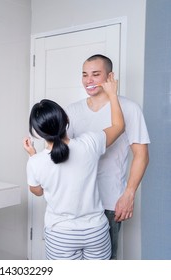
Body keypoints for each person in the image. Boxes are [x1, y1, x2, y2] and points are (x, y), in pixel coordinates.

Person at [23, 73, 124, 260]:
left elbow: (37, 191)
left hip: (61, 234)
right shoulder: (90, 143)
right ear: (66, 120)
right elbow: (118, 126)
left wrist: (32, 156)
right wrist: (112, 94)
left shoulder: (35, 163)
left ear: (37, 133)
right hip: (96, 231)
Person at [65, 54, 150, 259]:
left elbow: (141, 155)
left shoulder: (129, 108)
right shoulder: (72, 110)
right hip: (76, 201)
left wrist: (129, 194)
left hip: (110, 201)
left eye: (96, 74)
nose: (89, 80)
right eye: (85, 75)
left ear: (110, 77)